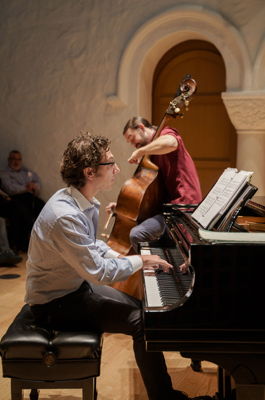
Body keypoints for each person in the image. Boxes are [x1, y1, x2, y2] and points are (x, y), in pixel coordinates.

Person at [24, 132, 212, 400]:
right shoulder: (64, 215)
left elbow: (93, 247)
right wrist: (141, 260)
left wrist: (128, 258)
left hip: (74, 289)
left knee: (143, 311)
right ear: (90, 172)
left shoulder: (79, 200)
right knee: (141, 322)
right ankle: (165, 396)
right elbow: (99, 272)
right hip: (54, 303)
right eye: (110, 163)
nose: (117, 169)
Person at [107, 116, 202, 253]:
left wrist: (141, 151)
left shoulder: (165, 133)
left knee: (138, 234)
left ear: (141, 127)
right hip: (168, 209)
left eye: (132, 138)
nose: (134, 145)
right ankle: (160, 266)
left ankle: (154, 267)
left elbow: (171, 143)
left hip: (183, 205)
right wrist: (123, 208)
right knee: (141, 233)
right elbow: (150, 195)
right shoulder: (153, 154)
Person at [0, 150, 45, 251]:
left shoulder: (27, 172)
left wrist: (34, 186)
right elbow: (10, 189)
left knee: (43, 207)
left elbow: (37, 184)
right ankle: (26, 243)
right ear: (8, 160)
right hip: (15, 198)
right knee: (22, 211)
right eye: (13, 159)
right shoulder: (4, 173)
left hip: (29, 197)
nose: (16, 162)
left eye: (18, 159)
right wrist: (26, 187)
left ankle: (44, 240)